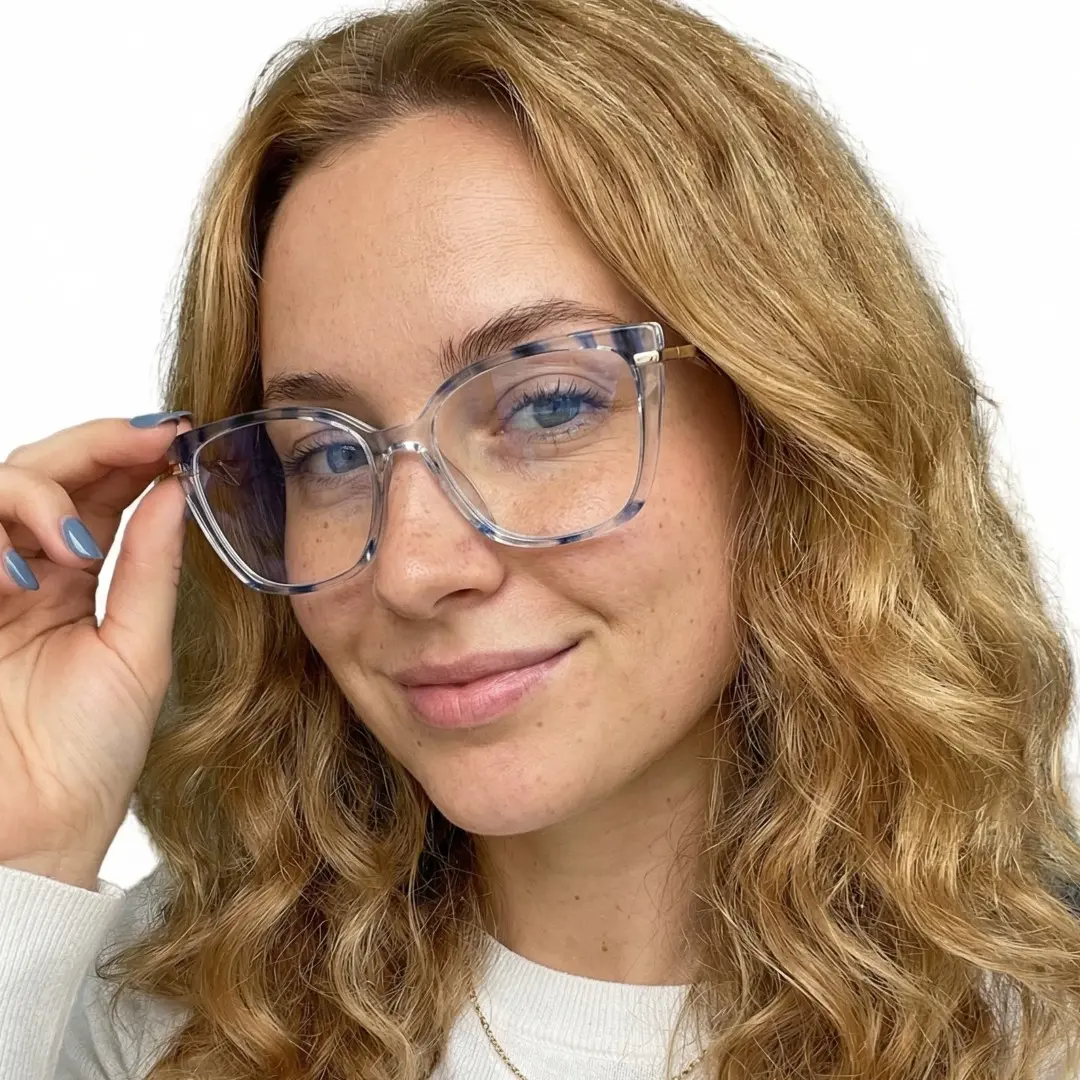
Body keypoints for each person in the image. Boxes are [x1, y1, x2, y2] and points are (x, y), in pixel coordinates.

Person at [2, 0, 1079, 1077]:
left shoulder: (1040, 1038)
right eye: (328, 454)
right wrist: (23, 856)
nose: (416, 569)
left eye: (548, 406)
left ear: (788, 418)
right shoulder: (172, 1022)